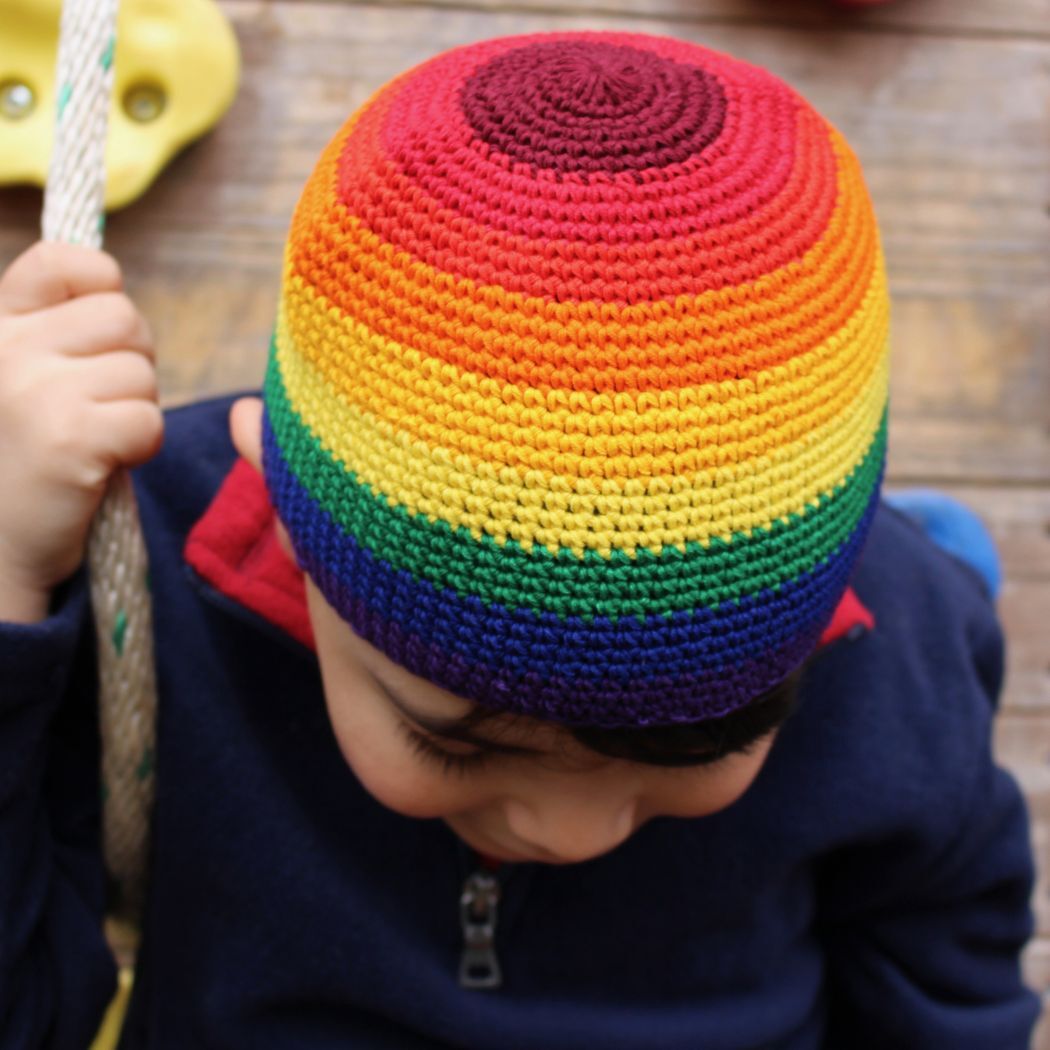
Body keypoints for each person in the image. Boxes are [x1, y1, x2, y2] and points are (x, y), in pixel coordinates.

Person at [0, 30, 1039, 1050]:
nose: (566, 833)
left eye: (705, 737)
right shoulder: (147, 583)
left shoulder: (895, 646)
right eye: (454, 740)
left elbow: (946, 982)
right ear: (279, 495)